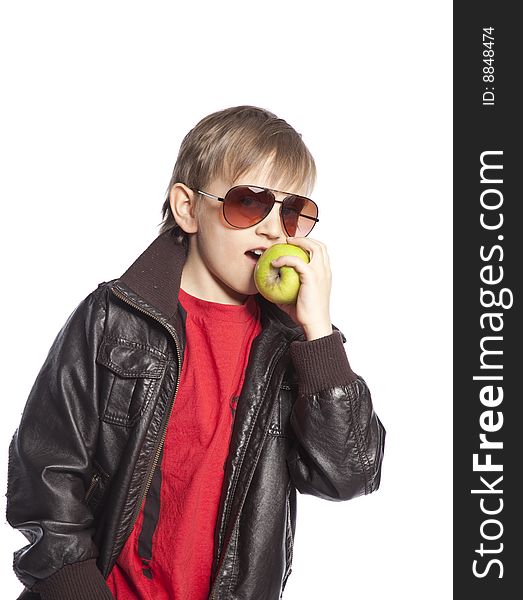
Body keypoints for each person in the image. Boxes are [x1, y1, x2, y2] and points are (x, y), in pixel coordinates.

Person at [6, 105, 386, 600]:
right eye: (249, 203)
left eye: (292, 212)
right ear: (188, 208)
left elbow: (349, 474)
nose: (274, 229)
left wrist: (317, 333)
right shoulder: (112, 318)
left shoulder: (295, 347)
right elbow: (45, 479)